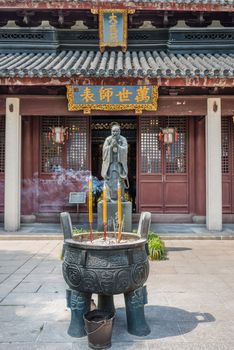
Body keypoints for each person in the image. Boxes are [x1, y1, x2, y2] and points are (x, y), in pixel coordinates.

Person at [101, 123, 128, 201]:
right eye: (113, 131)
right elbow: (104, 150)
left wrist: (118, 146)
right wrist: (111, 146)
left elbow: (125, 150)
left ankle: (120, 196)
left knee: (120, 180)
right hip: (110, 165)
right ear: (111, 132)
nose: (114, 133)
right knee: (109, 181)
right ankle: (108, 197)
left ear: (119, 131)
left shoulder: (123, 139)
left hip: (119, 164)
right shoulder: (108, 139)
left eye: (116, 131)